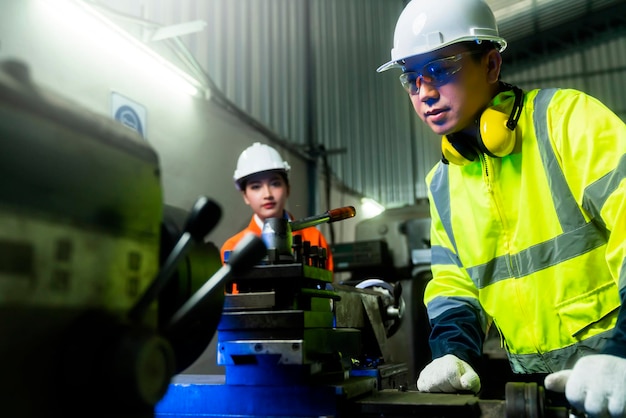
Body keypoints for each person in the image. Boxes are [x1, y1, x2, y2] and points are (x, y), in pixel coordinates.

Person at [377, 0, 626, 416]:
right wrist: (453, 353)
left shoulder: (565, 122)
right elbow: (453, 285)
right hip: (534, 391)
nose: (424, 93)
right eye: (411, 78)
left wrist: (623, 349)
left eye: (440, 69)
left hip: (614, 374)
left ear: (491, 65)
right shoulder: (443, 183)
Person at [220, 142, 334, 282]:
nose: (267, 194)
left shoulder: (314, 239)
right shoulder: (233, 248)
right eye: (256, 187)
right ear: (245, 196)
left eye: (275, 183)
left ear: (288, 188)